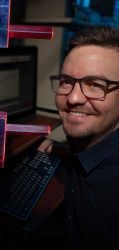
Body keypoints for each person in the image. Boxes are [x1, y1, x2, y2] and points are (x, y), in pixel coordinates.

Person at [37, 25, 119, 249]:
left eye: (95, 85)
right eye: (66, 82)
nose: (73, 98)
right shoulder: (89, 139)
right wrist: (54, 148)